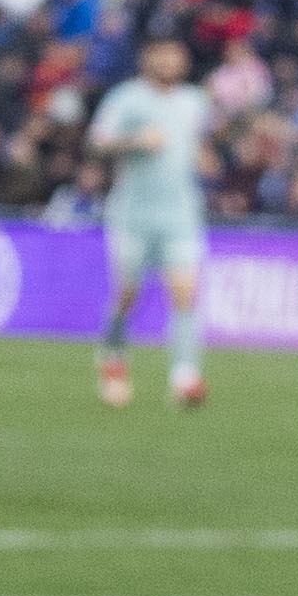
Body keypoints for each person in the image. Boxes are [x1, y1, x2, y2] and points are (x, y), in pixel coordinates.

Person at [84, 31, 215, 407]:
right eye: (163, 56)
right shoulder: (126, 98)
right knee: (128, 294)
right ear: (149, 59)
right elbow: (97, 141)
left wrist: (204, 159)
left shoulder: (194, 101)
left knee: (186, 293)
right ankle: (112, 356)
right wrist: (134, 141)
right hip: (133, 214)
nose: (170, 63)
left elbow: (196, 143)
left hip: (181, 213)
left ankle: (185, 376)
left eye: (176, 56)